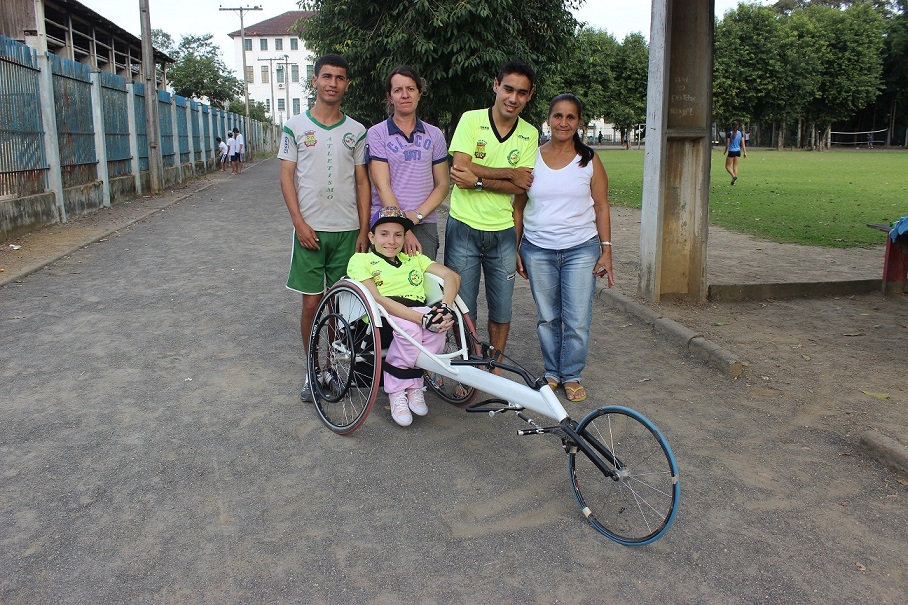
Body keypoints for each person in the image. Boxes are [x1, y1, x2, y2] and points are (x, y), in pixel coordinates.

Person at [279, 53, 370, 402]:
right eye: (327, 76)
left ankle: (332, 367)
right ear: (314, 80)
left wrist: (364, 230)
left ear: (347, 84)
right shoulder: (295, 126)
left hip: (347, 231)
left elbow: (363, 182)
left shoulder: (356, 131)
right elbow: (286, 177)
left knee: (338, 306)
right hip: (310, 231)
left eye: (340, 78)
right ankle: (311, 370)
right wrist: (299, 223)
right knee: (311, 305)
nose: (333, 83)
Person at [513, 94, 614, 403]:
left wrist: (606, 250)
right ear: (548, 119)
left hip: (580, 249)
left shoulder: (589, 159)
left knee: (577, 317)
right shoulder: (531, 156)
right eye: (558, 116)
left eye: (571, 117)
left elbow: (601, 206)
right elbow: (518, 207)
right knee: (547, 317)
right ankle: (552, 371)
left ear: (579, 123)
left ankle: (571, 374)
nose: (564, 122)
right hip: (538, 248)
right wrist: (517, 248)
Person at [446, 59, 539, 364]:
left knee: (502, 308)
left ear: (530, 95)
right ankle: (469, 366)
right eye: (508, 89)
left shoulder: (529, 133)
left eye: (522, 93)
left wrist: (481, 180)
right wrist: (509, 174)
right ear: (495, 85)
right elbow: (461, 168)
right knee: (463, 306)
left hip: (503, 232)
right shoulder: (471, 120)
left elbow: (522, 185)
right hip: (463, 227)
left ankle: (495, 364)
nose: (513, 98)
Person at [347, 207, 461, 427]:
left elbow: (451, 276)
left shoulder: (414, 259)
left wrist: (445, 308)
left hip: (418, 309)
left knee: (438, 331)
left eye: (398, 234)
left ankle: (414, 384)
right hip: (383, 313)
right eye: (384, 234)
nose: (391, 240)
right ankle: (397, 390)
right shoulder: (360, 260)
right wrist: (421, 320)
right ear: (371, 237)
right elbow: (377, 297)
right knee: (409, 330)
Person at [367, 65, 450, 259]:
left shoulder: (434, 134)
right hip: (386, 226)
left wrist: (417, 215)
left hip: (424, 225)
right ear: (390, 96)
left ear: (420, 93)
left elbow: (443, 184)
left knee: (423, 286)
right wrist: (404, 228)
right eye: (398, 90)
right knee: (387, 287)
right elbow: (381, 184)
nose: (405, 95)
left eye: (410, 89)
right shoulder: (377, 133)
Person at [723, 120, 746, 185]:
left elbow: (727, 144)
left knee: (727, 166)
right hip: (738, 151)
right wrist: (745, 152)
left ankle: (733, 176)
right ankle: (734, 182)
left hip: (731, 151)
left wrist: (725, 151)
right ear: (738, 126)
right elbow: (743, 144)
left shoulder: (729, 134)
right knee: (735, 166)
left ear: (732, 126)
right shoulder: (740, 133)